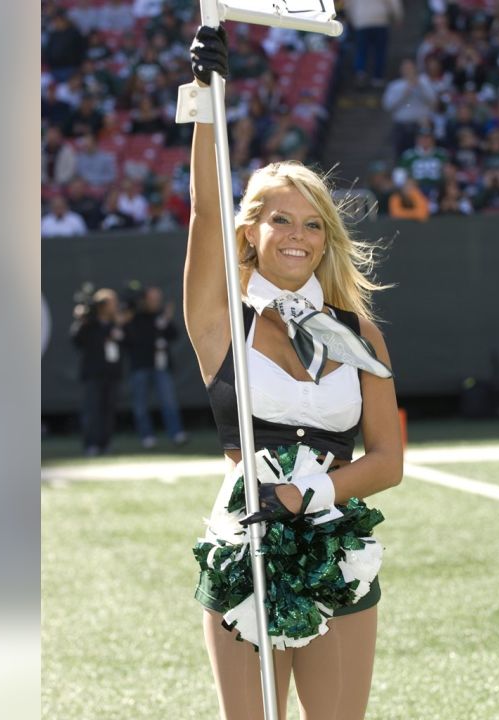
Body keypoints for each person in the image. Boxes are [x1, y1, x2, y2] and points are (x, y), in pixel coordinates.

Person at [184, 26, 403, 720]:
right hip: (244, 537)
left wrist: (306, 495)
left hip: (332, 532)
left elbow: (389, 460)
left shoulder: (357, 331)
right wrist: (204, 103)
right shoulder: (224, 322)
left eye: (313, 224)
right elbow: (203, 211)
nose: (298, 236)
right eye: (280, 219)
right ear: (251, 230)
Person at [123, 286, 189, 449]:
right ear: (145, 300)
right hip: (140, 366)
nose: (156, 302)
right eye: (152, 299)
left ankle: (176, 434)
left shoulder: (160, 317)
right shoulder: (135, 317)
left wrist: (166, 320)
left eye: (158, 299)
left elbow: (174, 334)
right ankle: (147, 436)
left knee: (169, 402)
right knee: (140, 405)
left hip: (161, 366)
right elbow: (131, 339)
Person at [70, 288, 127, 456]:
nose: (115, 306)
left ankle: (105, 443)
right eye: (111, 303)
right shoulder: (90, 323)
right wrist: (81, 320)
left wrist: (119, 324)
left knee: (108, 411)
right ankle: (91, 444)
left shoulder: (115, 323)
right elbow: (76, 340)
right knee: (92, 410)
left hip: (112, 373)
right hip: (93, 374)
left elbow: (128, 341)